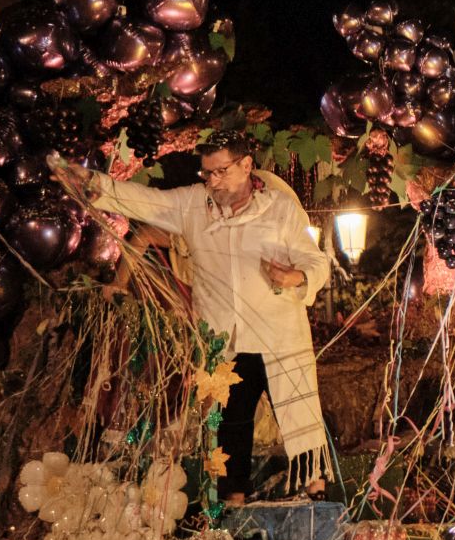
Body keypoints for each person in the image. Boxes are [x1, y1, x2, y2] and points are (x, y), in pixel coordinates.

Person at [55, 132, 333, 501]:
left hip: (278, 333)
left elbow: (315, 261)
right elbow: (144, 200)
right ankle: (232, 504)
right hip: (224, 337)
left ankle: (316, 494)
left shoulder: (279, 208)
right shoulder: (192, 206)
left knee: (299, 413)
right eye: (207, 173)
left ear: (246, 166)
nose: (213, 181)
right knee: (231, 422)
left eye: (221, 172)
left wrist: (295, 276)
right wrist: (92, 183)